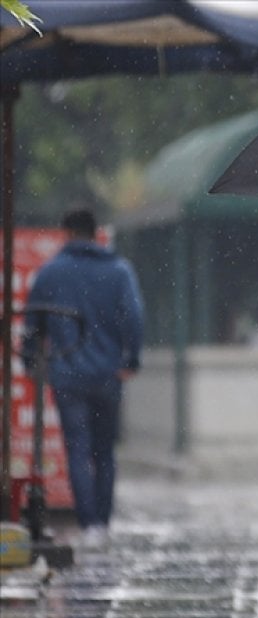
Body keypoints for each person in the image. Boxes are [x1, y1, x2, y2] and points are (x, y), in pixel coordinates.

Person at [22, 207, 144, 550]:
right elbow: (134, 318)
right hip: (108, 375)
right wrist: (130, 359)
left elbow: (33, 323)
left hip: (67, 375)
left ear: (67, 232)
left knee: (77, 449)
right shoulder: (120, 271)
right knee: (105, 451)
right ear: (95, 233)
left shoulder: (51, 273)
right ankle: (103, 523)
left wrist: (31, 360)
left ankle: (88, 523)